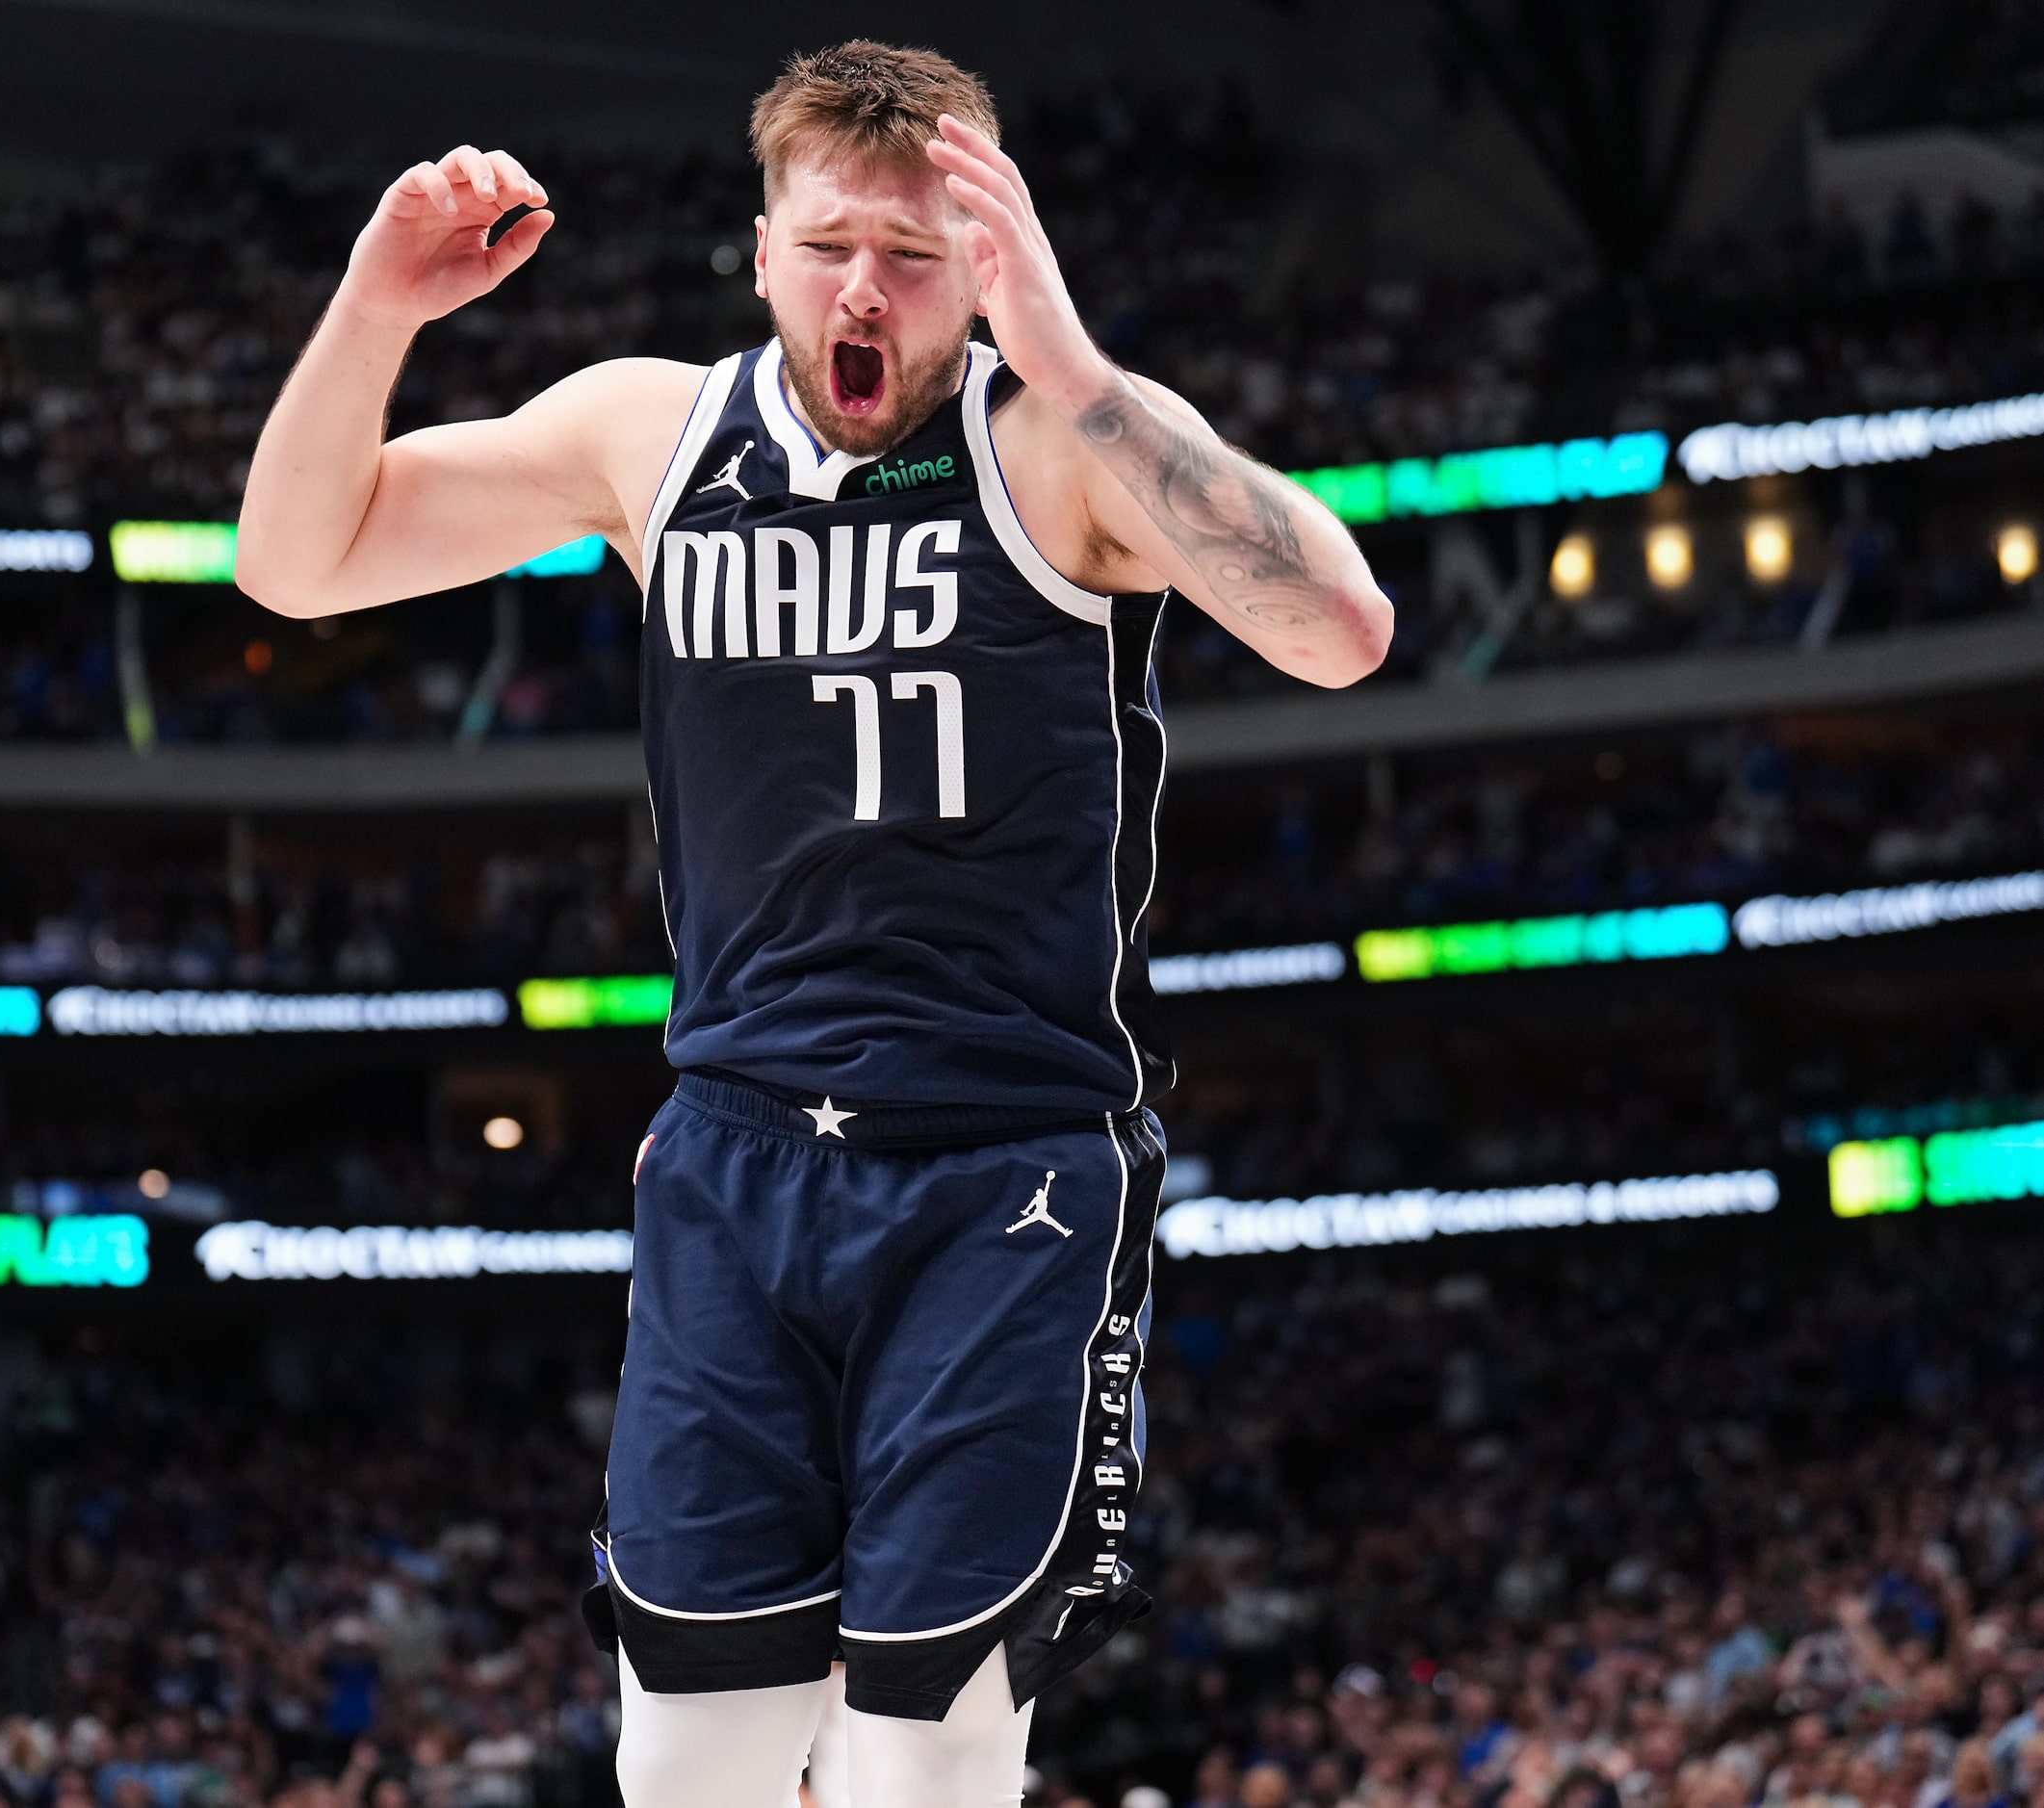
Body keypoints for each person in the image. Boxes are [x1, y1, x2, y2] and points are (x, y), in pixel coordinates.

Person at [235, 39, 1388, 1808]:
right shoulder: (650, 431)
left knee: (916, 1768)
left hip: (1002, 1164)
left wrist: (1068, 357)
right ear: (761, 247)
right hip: (736, 1148)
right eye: (831, 244)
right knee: (686, 1760)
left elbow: (1337, 626)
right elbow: (293, 561)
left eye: (918, 258)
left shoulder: (1057, 451)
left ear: (983, 268)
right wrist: (374, 306)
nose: (867, 288)